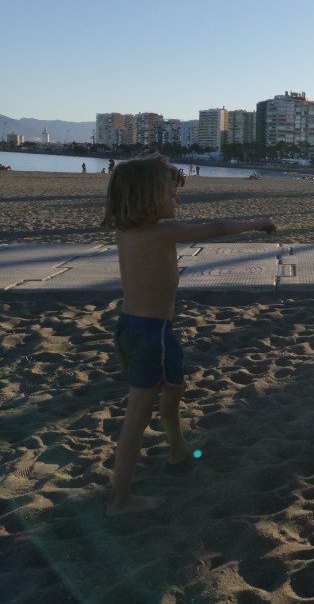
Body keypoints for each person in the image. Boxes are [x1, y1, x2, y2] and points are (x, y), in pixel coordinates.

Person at [100, 153, 276, 516]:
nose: (176, 199)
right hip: (152, 333)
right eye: (170, 194)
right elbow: (217, 227)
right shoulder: (162, 233)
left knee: (174, 387)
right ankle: (120, 499)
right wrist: (257, 223)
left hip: (134, 327)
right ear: (148, 198)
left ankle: (179, 450)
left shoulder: (127, 232)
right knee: (137, 416)